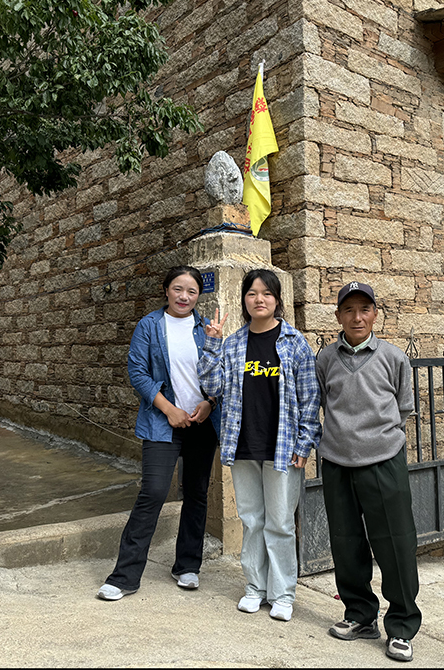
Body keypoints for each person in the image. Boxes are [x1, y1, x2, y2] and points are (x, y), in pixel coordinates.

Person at [198, 268, 321, 623]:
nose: (259, 299)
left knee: (280, 523)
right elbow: (213, 388)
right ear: (244, 300)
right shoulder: (234, 343)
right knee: (252, 521)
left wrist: (305, 442)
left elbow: (310, 397)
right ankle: (255, 588)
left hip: (282, 446)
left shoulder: (294, 342)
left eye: (266, 293)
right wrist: (212, 344)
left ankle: (283, 594)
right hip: (243, 444)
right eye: (252, 293)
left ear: (277, 300)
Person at [97, 265, 221, 601]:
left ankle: (187, 566)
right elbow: (137, 371)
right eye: (178, 289)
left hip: (202, 423)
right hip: (162, 422)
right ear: (166, 290)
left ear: (199, 296)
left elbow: (219, 373)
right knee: (153, 492)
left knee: (196, 493)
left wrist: (210, 402)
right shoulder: (150, 325)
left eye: (192, 291)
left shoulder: (206, 328)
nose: (184, 296)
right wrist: (169, 410)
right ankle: (124, 576)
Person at [315, 281, 420, 662]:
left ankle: (402, 626)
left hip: (384, 461)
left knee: (395, 544)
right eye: (348, 310)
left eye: (364, 309)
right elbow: (322, 402)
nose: (356, 317)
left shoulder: (393, 357)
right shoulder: (326, 358)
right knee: (346, 543)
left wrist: (380, 440)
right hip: (337, 462)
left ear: (375, 314)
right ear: (338, 316)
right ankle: (360, 616)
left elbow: (403, 407)